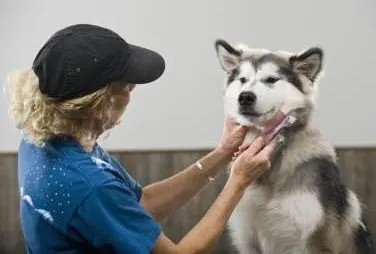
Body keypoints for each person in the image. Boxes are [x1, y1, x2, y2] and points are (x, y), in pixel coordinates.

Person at [7, 24, 275, 254]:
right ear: (98, 103)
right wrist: (238, 181)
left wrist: (223, 153)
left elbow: (140, 204)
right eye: (126, 84)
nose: (134, 87)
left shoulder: (42, 140)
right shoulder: (89, 185)